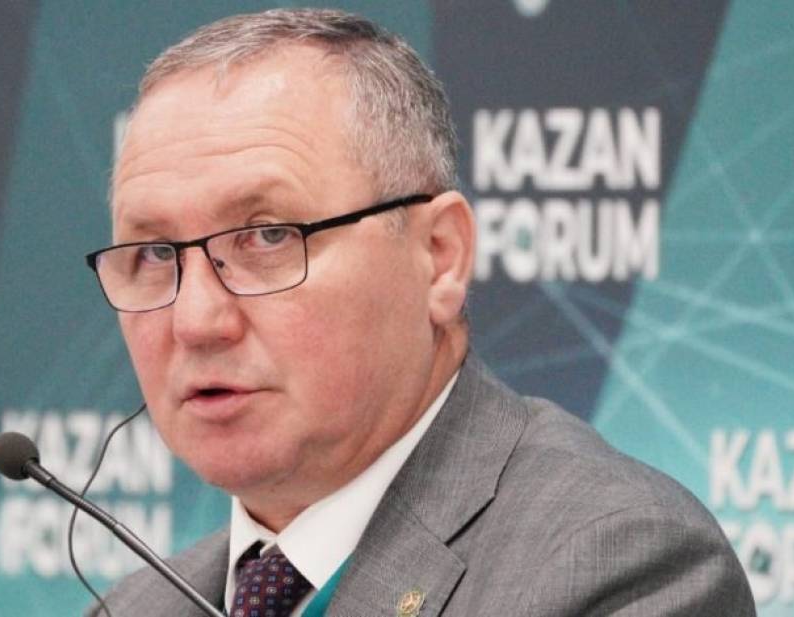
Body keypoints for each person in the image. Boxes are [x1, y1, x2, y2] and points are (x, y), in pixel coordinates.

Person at [84, 8, 755, 616]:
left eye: (269, 236)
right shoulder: (132, 608)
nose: (197, 321)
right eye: (154, 253)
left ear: (439, 256)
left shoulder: (618, 564)